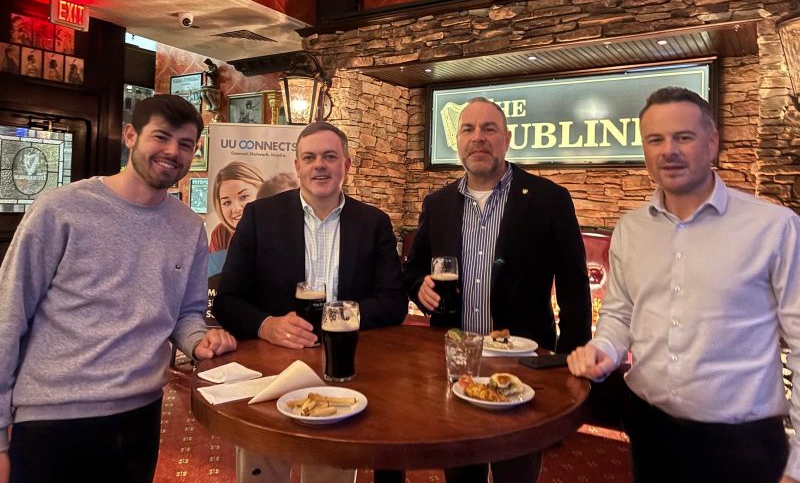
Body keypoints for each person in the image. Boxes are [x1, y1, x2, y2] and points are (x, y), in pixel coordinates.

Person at [567, 87, 800, 483]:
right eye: (655, 139)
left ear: (712, 143)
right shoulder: (631, 228)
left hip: (743, 444)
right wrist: (603, 348)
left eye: (683, 137)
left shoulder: (774, 228)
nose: (667, 151)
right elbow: (620, 313)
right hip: (650, 428)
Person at [0, 94, 237, 483]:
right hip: (54, 418)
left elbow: (186, 314)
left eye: (185, 144)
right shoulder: (61, 209)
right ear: (130, 135)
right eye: (161, 137)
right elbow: (8, 314)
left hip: (141, 416)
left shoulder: (189, 227)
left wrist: (199, 341)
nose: (172, 152)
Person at [404, 97, 592, 483]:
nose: (479, 138)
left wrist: (568, 366)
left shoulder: (548, 199)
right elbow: (414, 269)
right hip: (458, 365)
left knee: (516, 472)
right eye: (468, 129)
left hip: (524, 366)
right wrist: (418, 286)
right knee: (460, 471)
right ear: (457, 141)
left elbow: (575, 288)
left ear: (507, 139)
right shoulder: (437, 203)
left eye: (489, 129)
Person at [214, 121, 408, 483]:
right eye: (310, 157)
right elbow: (227, 300)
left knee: (329, 470)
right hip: (270, 369)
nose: (320, 164)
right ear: (297, 166)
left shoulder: (374, 223)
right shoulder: (259, 216)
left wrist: (340, 316)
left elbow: (395, 302)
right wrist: (265, 325)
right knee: (263, 471)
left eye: (330, 156)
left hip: (343, 367)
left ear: (346, 165)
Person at [208, 161, 265, 252]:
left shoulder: (283, 230)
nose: (236, 209)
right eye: (227, 202)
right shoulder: (221, 234)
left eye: (243, 197)